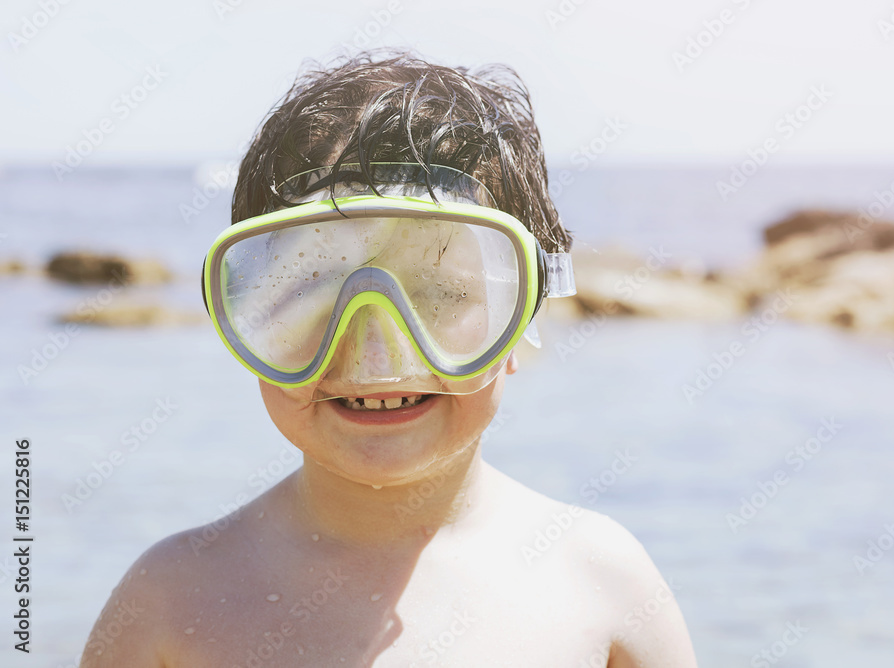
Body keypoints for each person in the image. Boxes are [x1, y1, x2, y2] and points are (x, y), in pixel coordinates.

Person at [80, 50, 698, 667]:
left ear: (522, 312)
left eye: (439, 294)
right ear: (248, 313)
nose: (375, 353)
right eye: (310, 289)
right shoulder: (170, 603)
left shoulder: (603, 585)